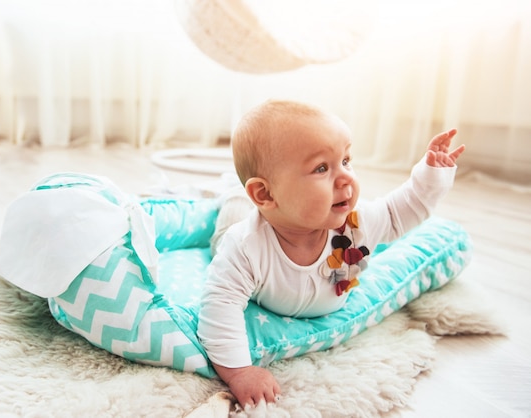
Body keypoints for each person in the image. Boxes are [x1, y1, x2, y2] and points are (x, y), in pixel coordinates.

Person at [197, 100, 465, 409]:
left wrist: (430, 176)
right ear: (266, 193)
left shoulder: (355, 223)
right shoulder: (245, 246)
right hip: (237, 227)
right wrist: (240, 371)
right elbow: (219, 306)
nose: (346, 178)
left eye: (346, 161)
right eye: (322, 168)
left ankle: (234, 188)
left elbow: (398, 213)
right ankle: (230, 191)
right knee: (231, 215)